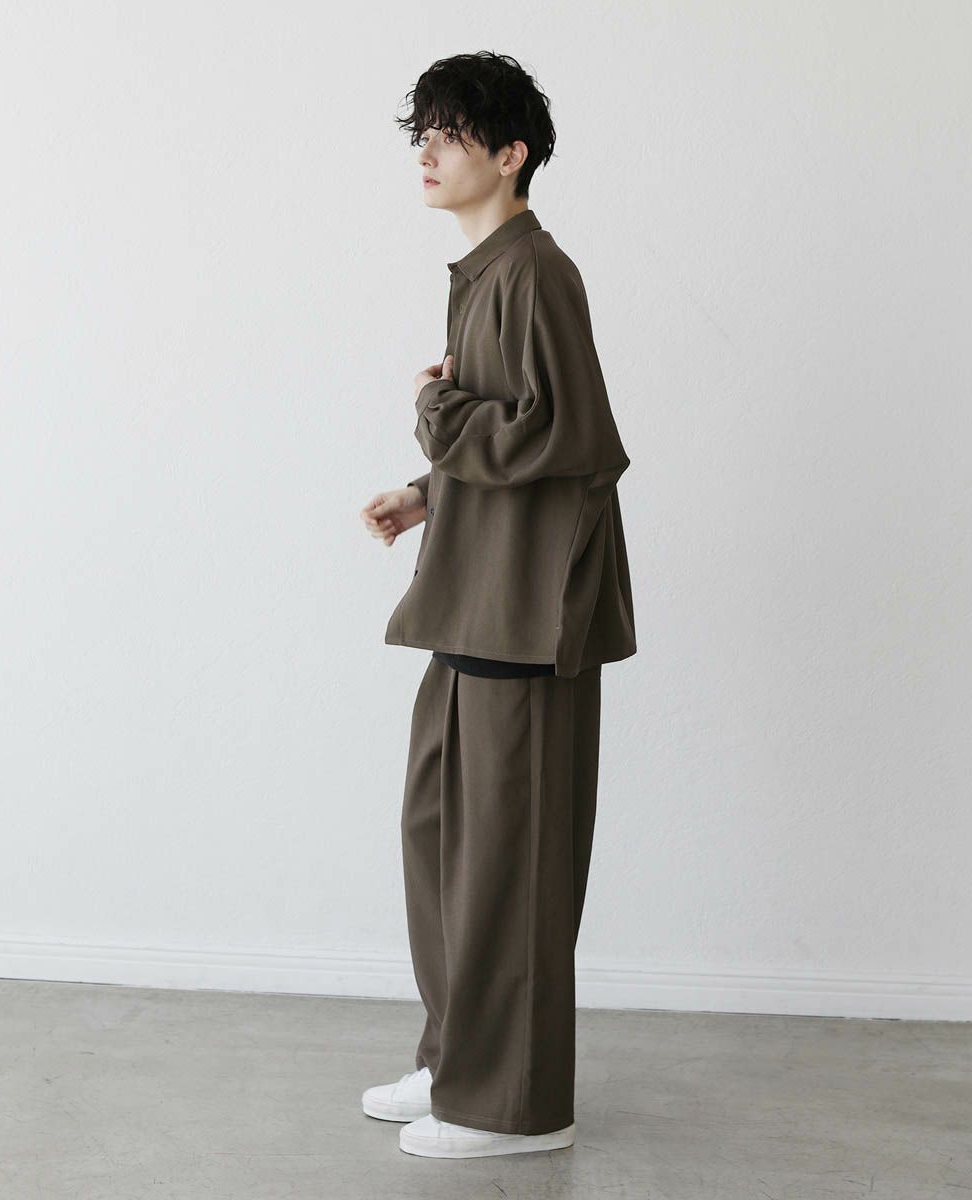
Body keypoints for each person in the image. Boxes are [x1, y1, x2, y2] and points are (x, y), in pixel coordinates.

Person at [358, 50, 637, 1160]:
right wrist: (431, 492)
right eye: (421, 133)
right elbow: (516, 431)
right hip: (475, 600)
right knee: (439, 839)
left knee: (508, 869)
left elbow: (571, 440)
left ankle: (516, 1105)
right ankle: (457, 1063)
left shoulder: (535, 274)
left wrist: (435, 419)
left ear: (511, 153)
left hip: (526, 613)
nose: (426, 152)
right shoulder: (483, 273)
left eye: (450, 133)